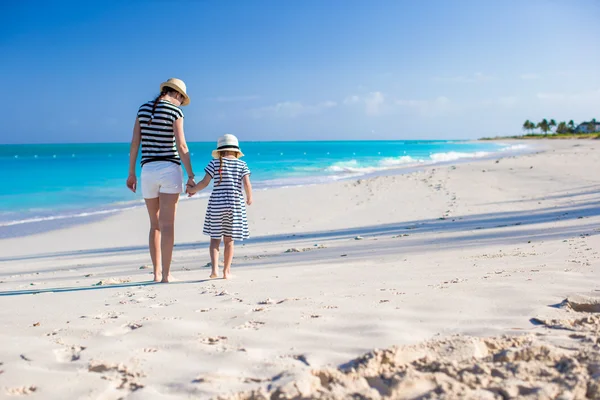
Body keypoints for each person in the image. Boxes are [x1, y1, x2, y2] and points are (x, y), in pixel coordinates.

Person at [126, 78, 196, 283]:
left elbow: (134, 144)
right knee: (168, 226)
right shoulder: (175, 112)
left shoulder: (143, 109)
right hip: (169, 169)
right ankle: (166, 275)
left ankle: (156, 274)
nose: (181, 103)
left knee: (154, 225)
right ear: (177, 95)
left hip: (147, 170)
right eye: (182, 100)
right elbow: (182, 147)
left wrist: (131, 173)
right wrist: (191, 175)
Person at [186, 134, 252, 279]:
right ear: (236, 151)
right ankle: (226, 272)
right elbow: (246, 184)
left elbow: (204, 182)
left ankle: (214, 270)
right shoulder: (242, 164)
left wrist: (192, 190)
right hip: (235, 204)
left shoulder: (214, 163)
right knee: (229, 241)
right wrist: (249, 197)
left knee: (215, 239)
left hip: (216, 204)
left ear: (220, 151)